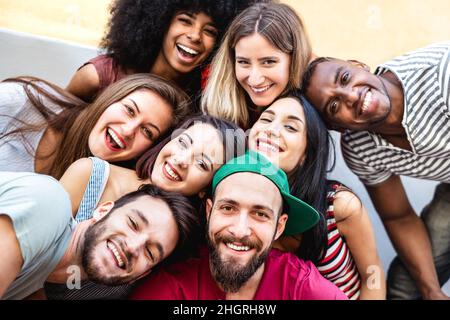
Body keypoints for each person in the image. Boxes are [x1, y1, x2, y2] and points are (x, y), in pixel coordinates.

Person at [301, 42, 450, 299]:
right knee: (406, 288)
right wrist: (432, 291)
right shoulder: (360, 147)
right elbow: (398, 216)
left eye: (345, 78)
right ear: (337, 128)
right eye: (334, 106)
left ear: (358, 65)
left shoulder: (440, 74)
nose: (351, 95)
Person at [44, 115, 245, 299]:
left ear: (205, 190)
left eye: (202, 163)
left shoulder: (180, 247)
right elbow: (38, 243)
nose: (181, 160)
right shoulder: (92, 176)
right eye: (183, 143)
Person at [130, 151, 348, 300]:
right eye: (228, 208)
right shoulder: (170, 287)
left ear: (279, 227)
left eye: (260, 214)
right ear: (209, 212)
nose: (239, 230)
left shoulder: (300, 285)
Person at [247, 93, 385, 299]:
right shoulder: (233, 207)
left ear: (306, 154)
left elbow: (373, 275)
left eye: (291, 127)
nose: (271, 129)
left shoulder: (340, 206)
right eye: (266, 119)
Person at [0, 171, 199, 300]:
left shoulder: (42, 281)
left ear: (142, 274)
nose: (132, 246)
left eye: (150, 252)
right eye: (133, 223)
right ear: (102, 210)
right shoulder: (49, 204)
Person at [66, 0, 258, 104]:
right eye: (185, 20)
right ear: (160, 22)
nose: (195, 36)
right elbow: (53, 129)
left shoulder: (203, 102)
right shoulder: (99, 76)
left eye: (209, 31)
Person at [0, 74, 190, 179]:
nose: (127, 131)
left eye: (147, 131)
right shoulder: (19, 101)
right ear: (108, 99)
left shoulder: (103, 193)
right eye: (130, 110)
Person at [201, 2, 312, 129]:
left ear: (295, 59)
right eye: (243, 62)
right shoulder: (213, 86)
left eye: (268, 62)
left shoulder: (316, 104)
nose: (255, 80)